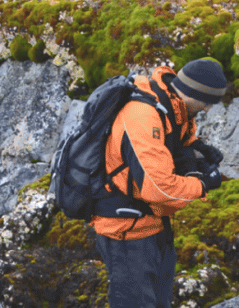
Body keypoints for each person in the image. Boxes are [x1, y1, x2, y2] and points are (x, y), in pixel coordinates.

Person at [93, 58, 227, 308]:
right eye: (207, 102)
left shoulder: (174, 109)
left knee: (158, 302)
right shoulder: (143, 116)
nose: (208, 109)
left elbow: (175, 145)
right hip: (126, 229)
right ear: (193, 92)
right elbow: (159, 189)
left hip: (153, 224)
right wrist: (203, 185)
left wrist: (197, 151)